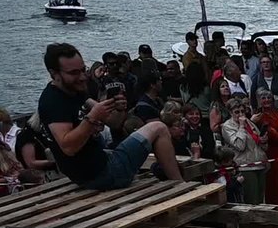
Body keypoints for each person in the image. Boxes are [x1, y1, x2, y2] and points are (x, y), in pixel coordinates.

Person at [39, 43, 181, 189]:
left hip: (96, 168)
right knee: (159, 128)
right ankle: (179, 186)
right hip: (105, 174)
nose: (82, 77)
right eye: (74, 73)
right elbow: (68, 147)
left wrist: (119, 109)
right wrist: (92, 117)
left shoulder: (74, 91)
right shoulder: (53, 102)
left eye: (83, 70)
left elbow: (114, 123)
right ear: (54, 73)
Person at [220, 98, 268, 204]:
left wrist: (263, 141)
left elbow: (257, 141)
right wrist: (241, 127)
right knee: (252, 199)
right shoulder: (227, 126)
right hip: (245, 166)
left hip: (259, 163)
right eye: (237, 112)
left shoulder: (249, 123)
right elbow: (239, 145)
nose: (241, 114)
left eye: (242, 111)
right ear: (230, 113)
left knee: (260, 198)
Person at [256, 89, 278, 205]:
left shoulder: (276, 112)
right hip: (270, 152)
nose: (267, 100)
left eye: (269, 97)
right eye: (263, 98)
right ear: (258, 100)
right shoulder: (259, 116)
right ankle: (273, 204)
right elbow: (273, 135)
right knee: (272, 181)